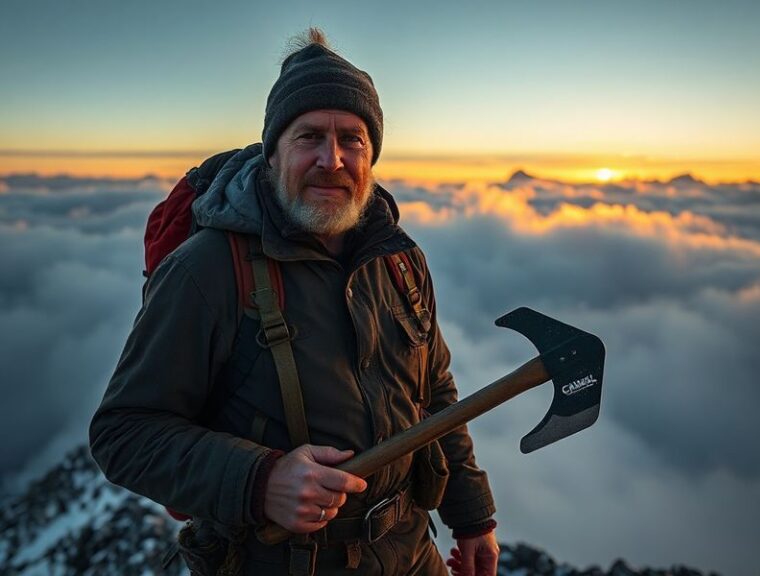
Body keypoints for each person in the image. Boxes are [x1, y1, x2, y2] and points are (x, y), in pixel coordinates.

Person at [90, 28, 498, 576]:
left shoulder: (398, 259)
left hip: (410, 550)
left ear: (372, 156)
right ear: (273, 151)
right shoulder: (208, 269)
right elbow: (124, 432)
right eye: (309, 137)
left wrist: (472, 517)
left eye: (351, 139)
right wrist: (260, 481)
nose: (332, 159)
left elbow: (434, 391)